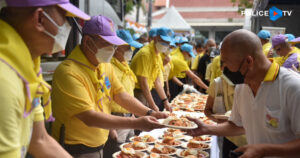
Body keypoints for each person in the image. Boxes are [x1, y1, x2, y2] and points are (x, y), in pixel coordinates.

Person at [51, 15, 166, 158]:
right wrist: (136, 122)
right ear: (87, 41)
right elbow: (89, 117)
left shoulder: (104, 65)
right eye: (107, 44)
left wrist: (149, 113)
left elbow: (120, 95)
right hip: (75, 149)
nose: (112, 49)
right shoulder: (68, 72)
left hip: (99, 143)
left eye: (114, 45)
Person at [186, 29, 300, 158]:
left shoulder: (293, 87)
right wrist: (207, 129)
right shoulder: (242, 86)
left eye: (226, 63)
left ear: (249, 61)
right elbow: (237, 125)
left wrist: (265, 150)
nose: (223, 69)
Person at [0, 0, 90, 157]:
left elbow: (40, 140)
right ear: (40, 19)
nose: (68, 27)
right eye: (64, 17)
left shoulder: (27, 68)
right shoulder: (4, 80)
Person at [205, 61, 247, 158]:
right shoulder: (218, 84)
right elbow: (207, 110)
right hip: (230, 137)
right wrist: (217, 120)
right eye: (227, 68)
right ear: (222, 68)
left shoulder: (250, 83)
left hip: (252, 139)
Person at [103, 43, 136, 157]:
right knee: (116, 152)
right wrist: (110, 126)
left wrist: (132, 113)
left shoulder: (125, 66)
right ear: (117, 49)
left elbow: (129, 92)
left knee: (129, 150)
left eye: (131, 48)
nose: (130, 51)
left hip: (128, 117)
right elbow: (104, 99)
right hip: (117, 117)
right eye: (127, 48)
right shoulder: (109, 68)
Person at [130, 27, 172, 112]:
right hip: (139, 92)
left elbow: (157, 81)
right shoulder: (145, 54)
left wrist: (165, 101)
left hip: (146, 91)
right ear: (156, 38)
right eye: (163, 41)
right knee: (142, 120)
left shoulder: (157, 54)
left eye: (167, 42)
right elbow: (143, 83)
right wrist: (153, 105)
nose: (165, 44)